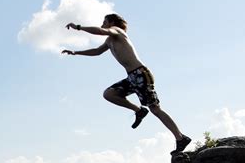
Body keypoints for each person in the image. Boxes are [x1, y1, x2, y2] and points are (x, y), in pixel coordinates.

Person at [62, 13, 191, 154]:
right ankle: (139, 110)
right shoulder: (109, 41)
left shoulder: (117, 31)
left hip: (141, 74)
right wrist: (75, 52)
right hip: (131, 77)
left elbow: (101, 31)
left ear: (111, 22)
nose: (102, 24)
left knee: (155, 109)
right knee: (109, 94)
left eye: (104, 21)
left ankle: (180, 138)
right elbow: (97, 51)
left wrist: (78, 27)